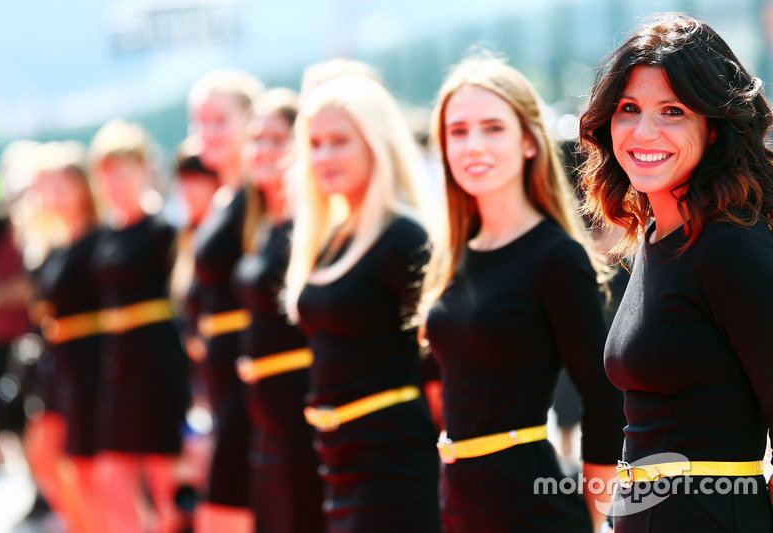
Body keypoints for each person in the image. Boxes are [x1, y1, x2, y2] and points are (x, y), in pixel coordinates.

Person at [578, 12, 773, 532]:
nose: (644, 131)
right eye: (628, 108)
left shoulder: (730, 245)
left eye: (672, 110)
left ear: (714, 127)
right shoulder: (656, 238)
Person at [419, 56, 625, 532]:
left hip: (532, 509)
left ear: (529, 141)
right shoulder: (449, 258)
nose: (473, 146)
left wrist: (592, 519)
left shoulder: (555, 256)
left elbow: (604, 397)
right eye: (458, 131)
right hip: (457, 506)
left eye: (493, 128)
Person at [284, 74, 441, 533]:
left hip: (393, 457)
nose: (324, 156)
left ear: (376, 143)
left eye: (339, 141)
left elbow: (439, 358)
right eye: (315, 143)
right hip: (336, 457)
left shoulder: (405, 237)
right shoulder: (331, 237)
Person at [89, 119, 190, 533]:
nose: (115, 181)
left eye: (123, 168)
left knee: (163, 478)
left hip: (156, 359)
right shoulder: (105, 232)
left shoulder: (163, 229)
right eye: (106, 172)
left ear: (145, 167)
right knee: (112, 477)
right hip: (117, 363)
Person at [233, 87, 325, 533]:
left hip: (300, 403)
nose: (261, 149)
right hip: (263, 410)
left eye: (275, 138)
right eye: (255, 138)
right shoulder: (258, 223)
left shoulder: (312, 224)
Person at [187, 68, 263, 532]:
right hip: (219, 385)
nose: (207, 133)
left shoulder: (261, 198)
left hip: (248, 379)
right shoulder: (221, 200)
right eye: (200, 122)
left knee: (223, 517)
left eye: (220, 120)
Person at [29, 141, 104, 533]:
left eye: (65, 185)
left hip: (87, 361)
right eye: (50, 186)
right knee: (47, 457)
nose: (56, 195)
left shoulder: (98, 240)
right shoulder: (55, 244)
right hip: (58, 360)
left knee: (81, 464)